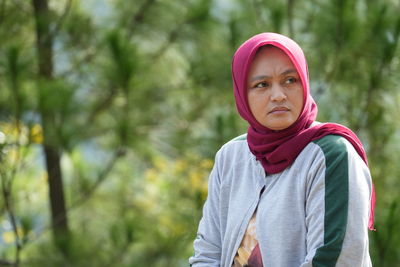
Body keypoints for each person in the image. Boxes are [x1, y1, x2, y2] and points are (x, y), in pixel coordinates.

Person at [189, 32, 375, 267]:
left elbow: (335, 259)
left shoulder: (331, 155)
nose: (278, 95)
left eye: (290, 80)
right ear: (242, 95)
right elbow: (208, 251)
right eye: (262, 85)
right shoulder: (231, 156)